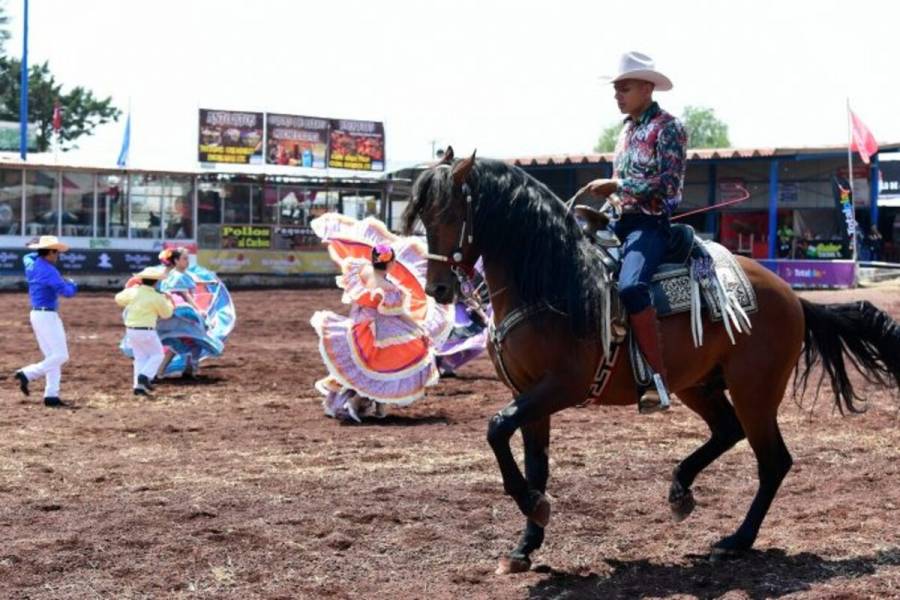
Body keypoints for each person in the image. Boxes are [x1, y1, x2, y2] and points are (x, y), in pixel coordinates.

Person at [584, 51, 687, 414]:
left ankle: (657, 381)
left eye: (624, 88)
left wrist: (617, 185)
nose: (617, 95)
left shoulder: (669, 128)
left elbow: (669, 186)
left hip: (650, 225)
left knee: (630, 286)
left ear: (646, 87)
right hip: (618, 222)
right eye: (615, 89)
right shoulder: (626, 130)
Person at [310, 214, 452, 423]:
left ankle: (354, 403)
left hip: (359, 325)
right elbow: (395, 312)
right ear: (391, 263)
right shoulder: (390, 287)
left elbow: (359, 298)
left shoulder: (361, 270)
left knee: (359, 369)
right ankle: (366, 403)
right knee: (391, 362)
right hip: (378, 328)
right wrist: (419, 328)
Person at [14, 236, 78, 408]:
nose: (57, 255)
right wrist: (73, 284)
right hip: (47, 315)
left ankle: (51, 395)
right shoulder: (49, 270)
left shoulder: (31, 263)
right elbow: (67, 292)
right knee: (61, 356)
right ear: (49, 252)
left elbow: (27, 256)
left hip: (37, 313)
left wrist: (35, 246)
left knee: (53, 357)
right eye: (55, 251)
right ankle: (27, 373)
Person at [114, 267, 174, 396]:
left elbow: (119, 299)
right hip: (147, 330)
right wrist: (169, 301)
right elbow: (166, 314)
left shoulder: (134, 292)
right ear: (156, 282)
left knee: (140, 357)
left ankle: (138, 386)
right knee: (158, 355)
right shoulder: (157, 297)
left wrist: (129, 288)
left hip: (131, 330)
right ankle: (144, 376)